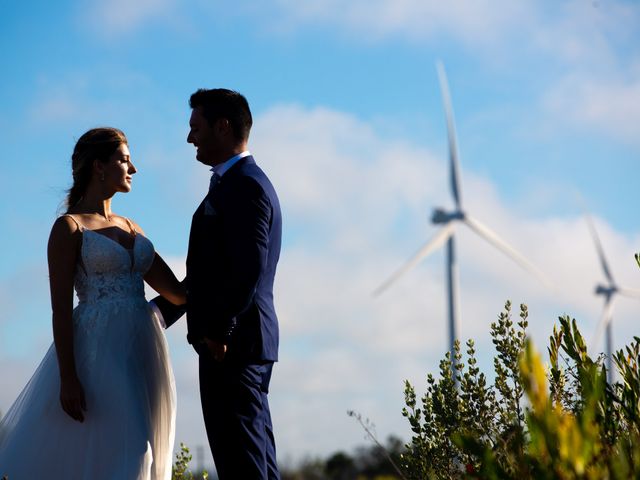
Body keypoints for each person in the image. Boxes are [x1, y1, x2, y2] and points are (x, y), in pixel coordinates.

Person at [0, 127, 185, 479]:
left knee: (143, 443)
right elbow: (59, 309)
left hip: (145, 353)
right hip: (99, 354)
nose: (134, 169)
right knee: (126, 448)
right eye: (125, 160)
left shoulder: (134, 228)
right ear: (99, 166)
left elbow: (177, 292)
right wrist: (68, 377)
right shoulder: (69, 228)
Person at [154, 88, 282, 479]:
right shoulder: (233, 184)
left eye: (196, 127)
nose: (190, 137)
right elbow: (211, 274)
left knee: (241, 464)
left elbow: (249, 269)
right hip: (233, 343)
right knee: (251, 461)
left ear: (222, 127)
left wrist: (220, 330)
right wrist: (154, 313)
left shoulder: (246, 186)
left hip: (232, 345)